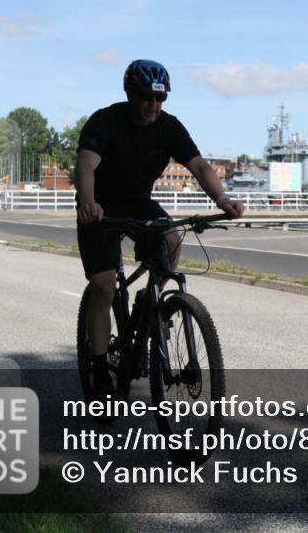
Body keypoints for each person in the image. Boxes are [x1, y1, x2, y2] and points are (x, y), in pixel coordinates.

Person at [76, 59, 244, 398]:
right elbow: (87, 165)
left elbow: (198, 165)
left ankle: (151, 303)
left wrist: (223, 200)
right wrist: (88, 202)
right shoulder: (105, 121)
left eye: (160, 98)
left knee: (171, 236)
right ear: (129, 93)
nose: (153, 105)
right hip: (100, 208)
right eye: (145, 97)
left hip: (138, 202)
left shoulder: (169, 126)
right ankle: (99, 367)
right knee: (104, 286)